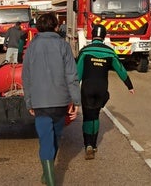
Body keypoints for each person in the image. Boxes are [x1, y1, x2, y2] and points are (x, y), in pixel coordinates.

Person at [22, 13, 81, 186]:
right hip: (60, 101)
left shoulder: (32, 47)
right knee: (55, 138)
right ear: (56, 26)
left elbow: (27, 77)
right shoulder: (64, 45)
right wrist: (75, 101)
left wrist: (29, 101)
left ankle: (49, 178)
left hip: (40, 102)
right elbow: (72, 75)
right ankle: (48, 176)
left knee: (46, 140)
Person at [76, 24, 135, 160]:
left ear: (91, 35)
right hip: (101, 89)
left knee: (87, 116)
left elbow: (77, 74)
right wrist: (129, 86)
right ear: (104, 36)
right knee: (95, 115)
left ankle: (88, 145)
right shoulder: (110, 52)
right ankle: (94, 145)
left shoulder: (85, 51)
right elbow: (121, 70)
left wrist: (72, 90)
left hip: (87, 88)